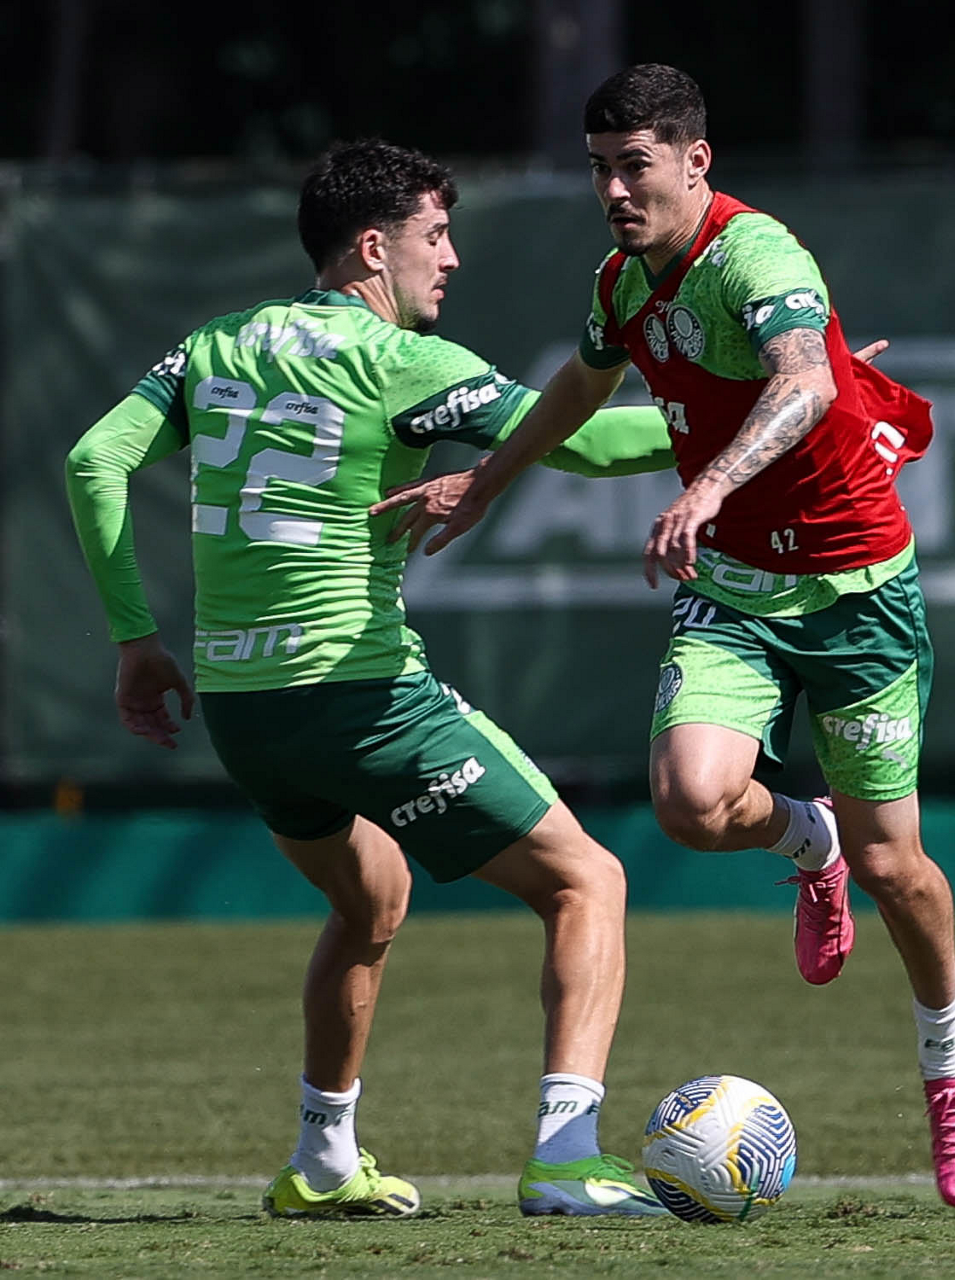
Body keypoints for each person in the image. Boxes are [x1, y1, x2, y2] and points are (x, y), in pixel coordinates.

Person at [369, 65, 955, 1209]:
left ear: (695, 161)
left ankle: (948, 1055)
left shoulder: (757, 256)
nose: (613, 189)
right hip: (736, 593)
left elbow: (805, 383)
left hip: (856, 592)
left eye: (635, 165)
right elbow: (575, 390)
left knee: (895, 867)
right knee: (689, 801)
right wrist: (485, 482)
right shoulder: (618, 282)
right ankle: (805, 838)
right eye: (598, 168)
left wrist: (704, 486)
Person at [65, 137, 682, 1220]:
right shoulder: (404, 363)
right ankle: (565, 1157)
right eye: (434, 235)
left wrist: (135, 641)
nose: (450, 258)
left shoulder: (216, 343)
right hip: (359, 695)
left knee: (371, 896)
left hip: (244, 712)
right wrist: (765, 419)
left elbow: (93, 460)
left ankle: (321, 1160)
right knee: (587, 881)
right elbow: (586, 445)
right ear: (370, 246)